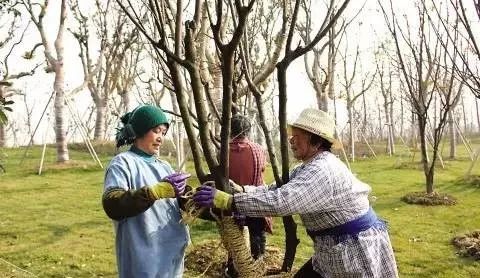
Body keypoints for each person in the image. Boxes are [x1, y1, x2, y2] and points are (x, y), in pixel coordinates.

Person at [193, 108, 399, 278]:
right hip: (333, 249)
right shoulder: (308, 167)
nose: (291, 140)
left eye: (297, 137)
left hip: (354, 251)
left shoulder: (322, 170)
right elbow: (276, 188)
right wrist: (242, 190)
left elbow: (282, 202)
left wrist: (230, 201)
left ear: (316, 141)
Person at [102, 104, 191, 278]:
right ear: (141, 131)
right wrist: (152, 193)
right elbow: (112, 203)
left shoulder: (164, 166)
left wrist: (194, 198)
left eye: (163, 133)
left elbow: (178, 200)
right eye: (156, 131)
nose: (161, 138)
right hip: (143, 255)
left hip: (171, 253)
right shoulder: (123, 163)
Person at [225, 114, 273, 277]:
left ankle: (232, 269)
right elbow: (261, 172)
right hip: (254, 199)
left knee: (234, 239)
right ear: (248, 131)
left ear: (231, 131)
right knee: (257, 236)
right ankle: (256, 267)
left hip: (230, 201)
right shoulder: (258, 150)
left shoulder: (223, 151)